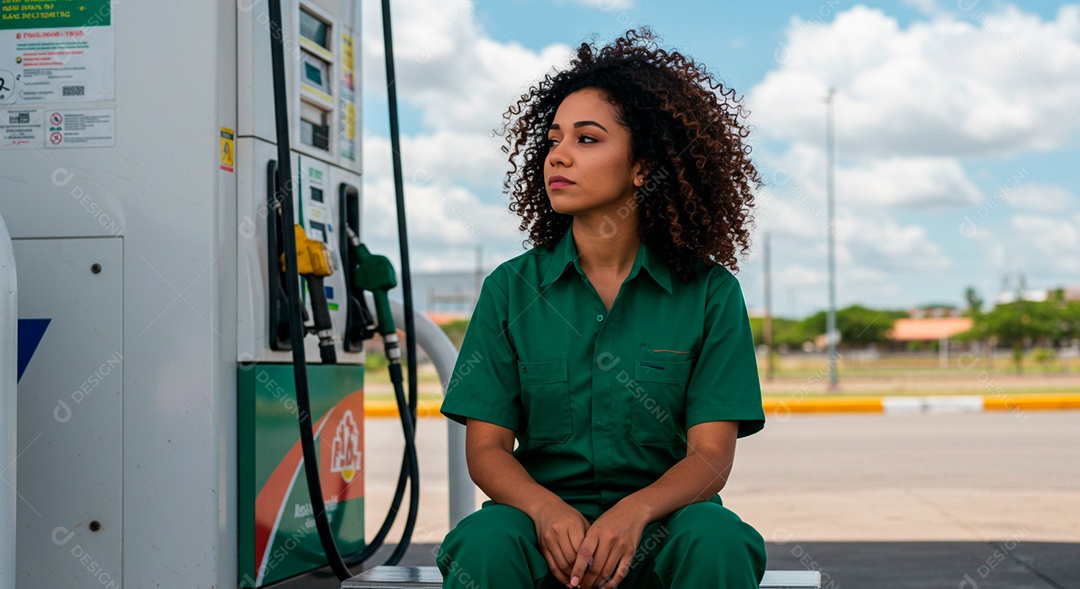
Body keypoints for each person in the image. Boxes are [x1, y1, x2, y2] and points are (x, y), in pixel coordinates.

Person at [436, 27, 767, 589]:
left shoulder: (711, 292)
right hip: (541, 532)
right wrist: (544, 511)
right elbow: (487, 450)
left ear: (643, 166)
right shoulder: (510, 290)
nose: (558, 155)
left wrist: (635, 512)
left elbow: (711, 456)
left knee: (719, 538)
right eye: (553, 139)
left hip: (665, 529)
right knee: (481, 542)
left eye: (587, 139)